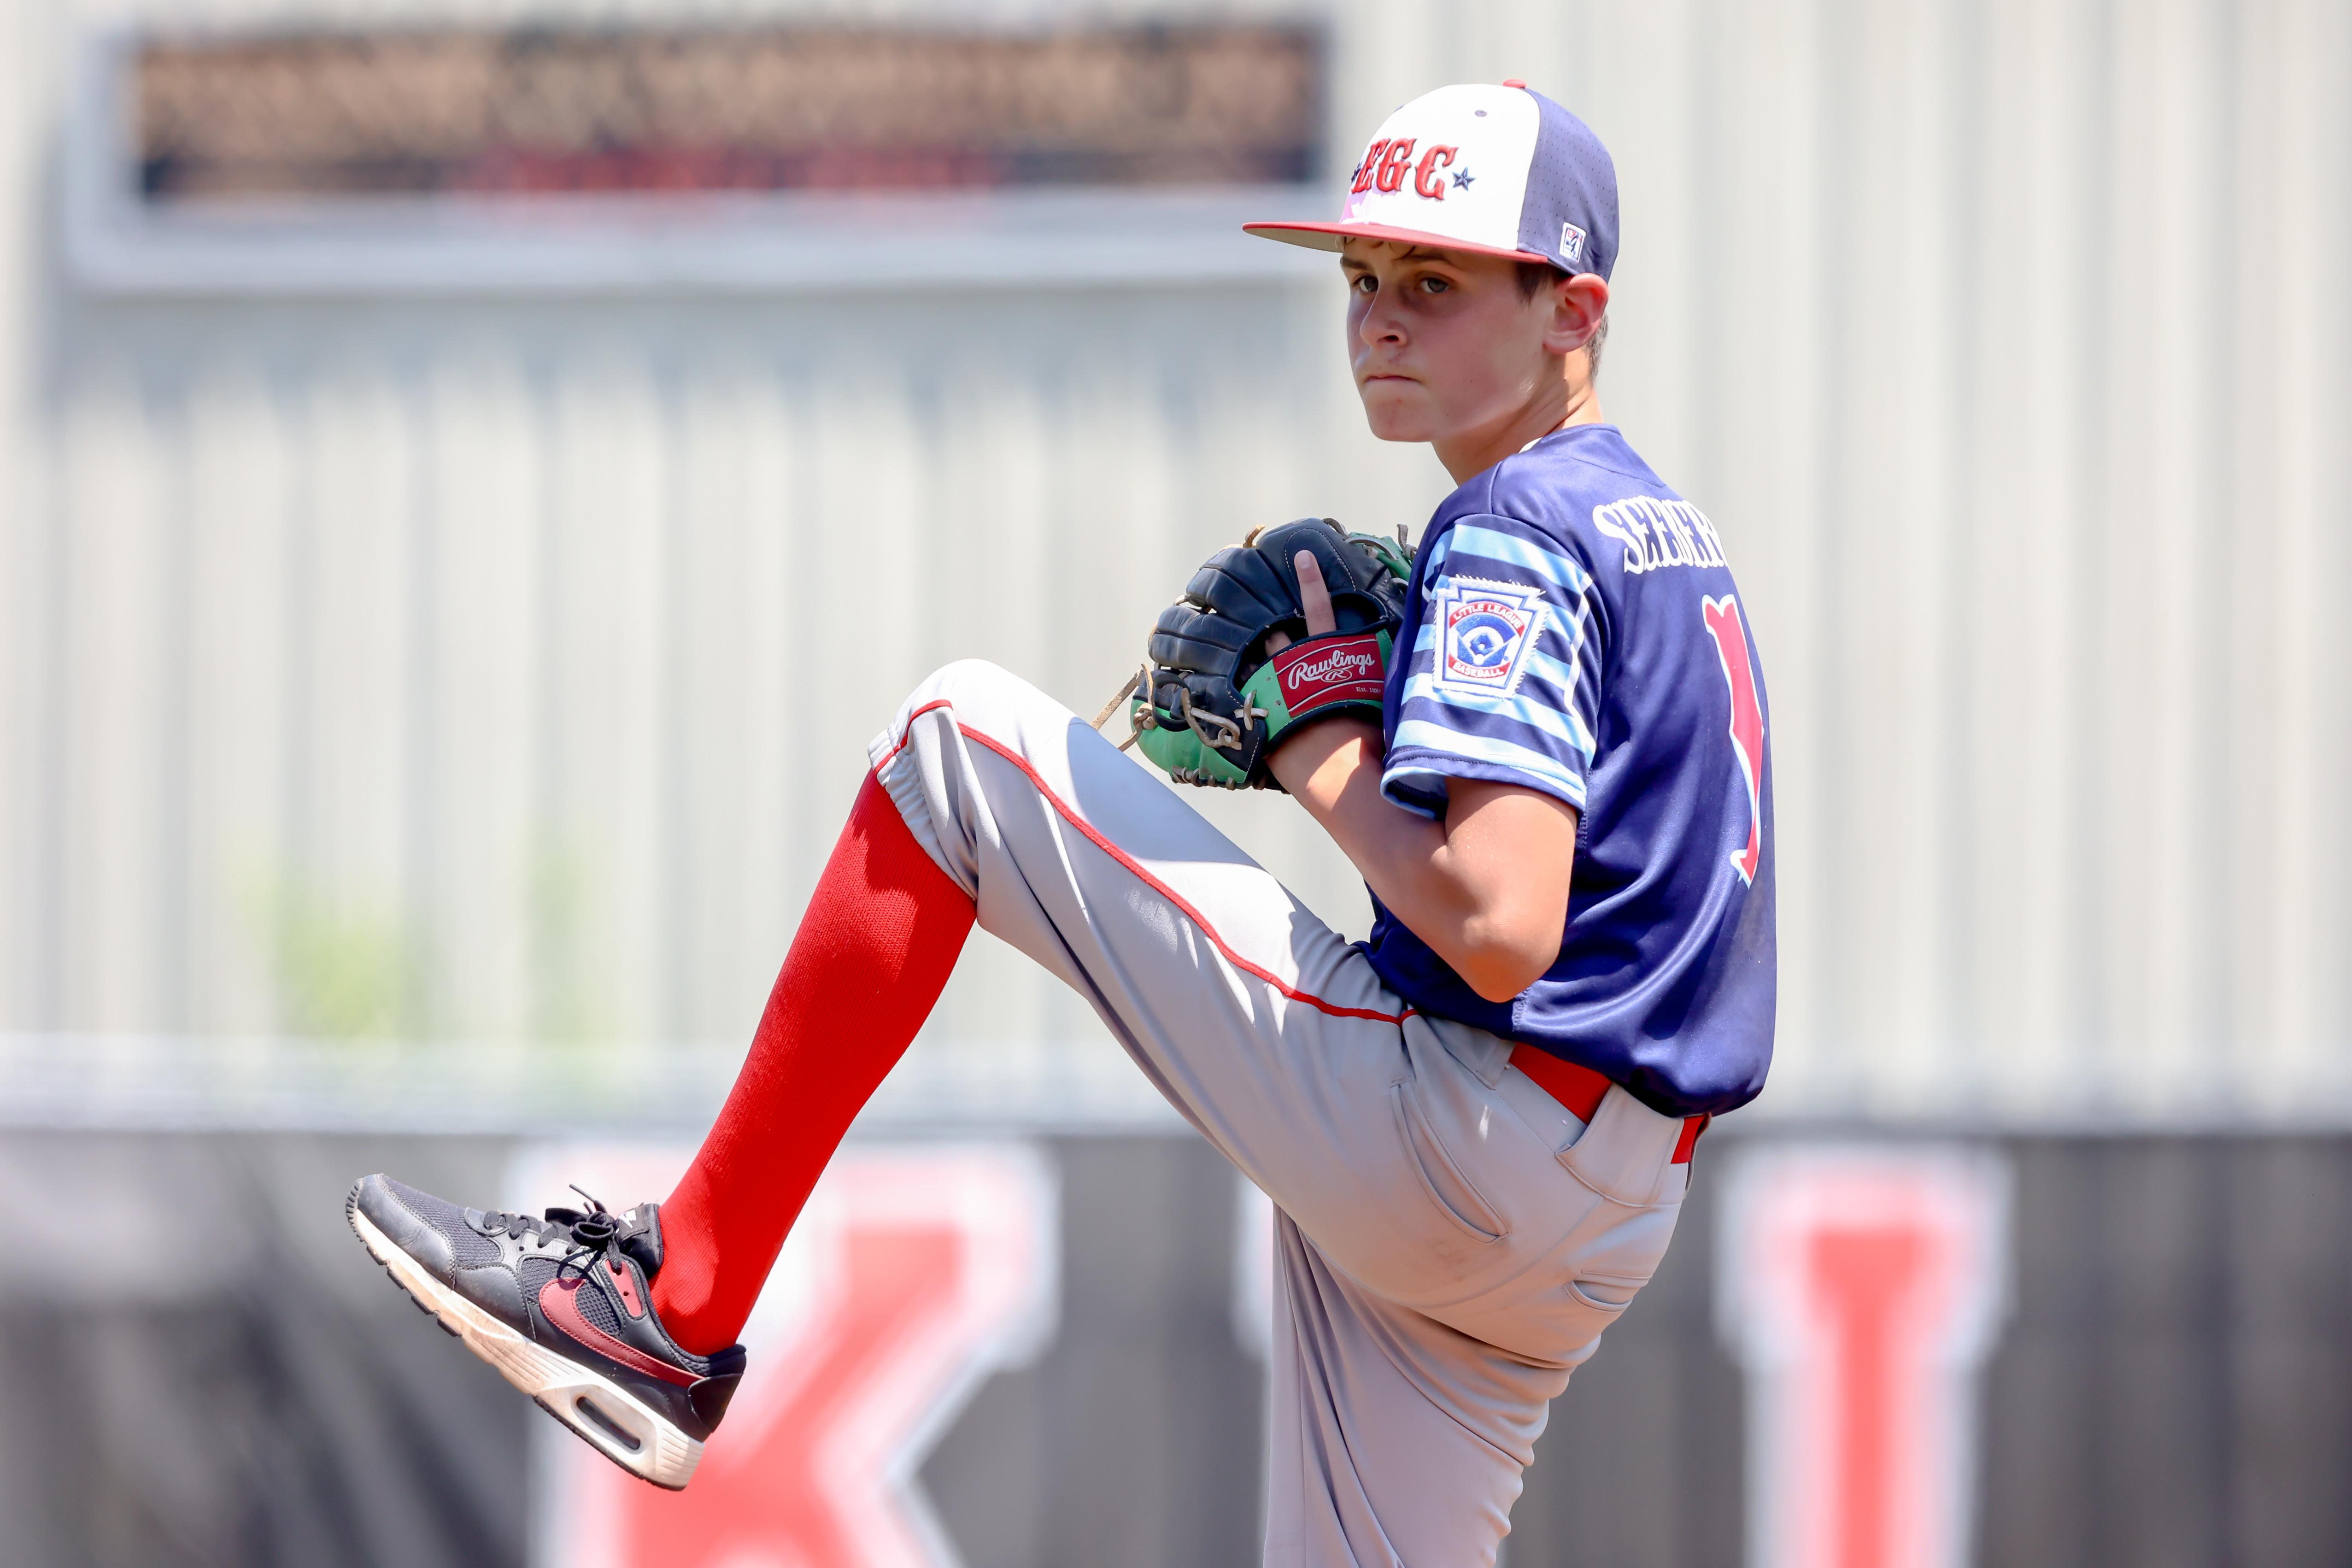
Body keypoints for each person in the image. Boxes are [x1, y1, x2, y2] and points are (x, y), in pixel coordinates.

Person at [348, 79, 1773, 1566]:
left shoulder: (1515, 524)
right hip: (1595, 1204)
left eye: (1433, 279)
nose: (1378, 319)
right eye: (1359, 279)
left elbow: (1496, 923)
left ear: (1572, 309)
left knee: (956, 744)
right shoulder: (1652, 526)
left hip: (1473, 1128)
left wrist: (1310, 737)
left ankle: (668, 1305)